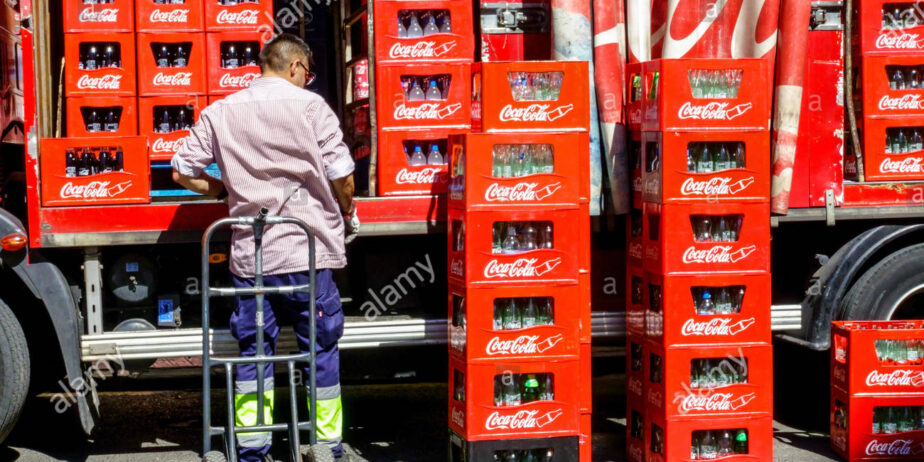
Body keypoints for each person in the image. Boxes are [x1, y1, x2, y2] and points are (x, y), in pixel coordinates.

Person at [171, 33, 358, 462]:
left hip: (251, 258)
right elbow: (343, 175)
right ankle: (325, 445)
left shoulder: (221, 111)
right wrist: (346, 212)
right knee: (320, 349)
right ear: (295, 67)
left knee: (254, 353)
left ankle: (253, 448)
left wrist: (222, 191)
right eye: (308, 73)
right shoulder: (311, 107)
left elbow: (181, 170)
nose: (308, 81)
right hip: (306, 253)